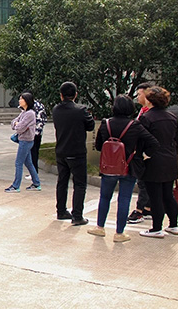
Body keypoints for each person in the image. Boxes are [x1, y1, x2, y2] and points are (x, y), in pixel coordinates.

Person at [88, 95, 159, 242]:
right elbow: (153, 142)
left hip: (109, 167)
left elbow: (99, 146)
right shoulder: (135, 125)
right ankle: (119, 233)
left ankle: (100, 227)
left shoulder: (106, 123)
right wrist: (144, 155)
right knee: (124, 199)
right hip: (129, 167)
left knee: (105, 197)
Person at [138, 87, 178, 238]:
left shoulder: (146, 118)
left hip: (153, 160)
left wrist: (142, 155)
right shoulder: (172, 117)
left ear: (149, 100)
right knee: (168, 195)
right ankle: (173, 225)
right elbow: (176, 141)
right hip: (170, 159)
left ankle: (156, 228)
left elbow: (142, 141)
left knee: (155, 196)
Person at [52, 81, 95, 226]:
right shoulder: (80, 110)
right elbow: (90, 126)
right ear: (75, 95)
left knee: (62, 182)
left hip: (61, 151)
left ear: (61, 95)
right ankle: (77, 216)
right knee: (80, 184)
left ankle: (61, 211)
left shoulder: (56, 110)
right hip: (77, 152)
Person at [127, 81, 155, 224]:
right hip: (143, 152)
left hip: (146, 153)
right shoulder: (143, 111)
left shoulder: (149, 115)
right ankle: (148, 208)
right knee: (145, 181)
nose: (137, 97)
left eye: (139, 94)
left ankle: (139, 211)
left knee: (143, 182)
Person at [6, 92, 41, 192]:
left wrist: (17, 125)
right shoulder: (23, 112)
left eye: (22, 99)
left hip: (26, 141)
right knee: (28, 163)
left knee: (18, 163)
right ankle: (36, 183)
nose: (19, 101)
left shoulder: (30, 114)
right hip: (24, 140)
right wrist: (16, 124)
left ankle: (16, 186)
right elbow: (13, 122)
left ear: (27, 101)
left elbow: (20, 128)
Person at [26, 97, 47, 180]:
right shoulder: (40, 105)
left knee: (33, 153)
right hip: (38, 132)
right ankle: (34, 172)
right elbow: (44, 119)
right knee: (34, 152)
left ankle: (34, 173)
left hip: (34, 133)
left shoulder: (32, 107)